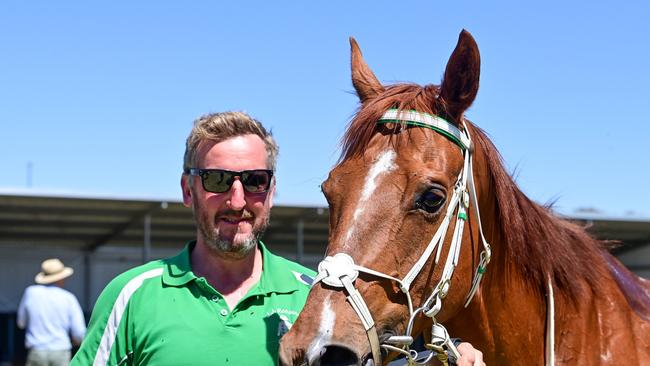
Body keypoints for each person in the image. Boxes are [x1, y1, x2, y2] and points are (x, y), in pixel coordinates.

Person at [71, 111, 485, 365]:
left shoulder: (320, 301)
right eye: (216, 180)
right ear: (187, 190)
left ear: (270, 192)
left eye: (254, 181)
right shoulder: (132, 296)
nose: (237, 199)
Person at [17, 258, 86, 366]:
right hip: (61, 351)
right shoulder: (68, 298)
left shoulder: (30, 293)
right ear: (60, 278)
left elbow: (21, 323)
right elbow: (78, 333)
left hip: (37, 350)